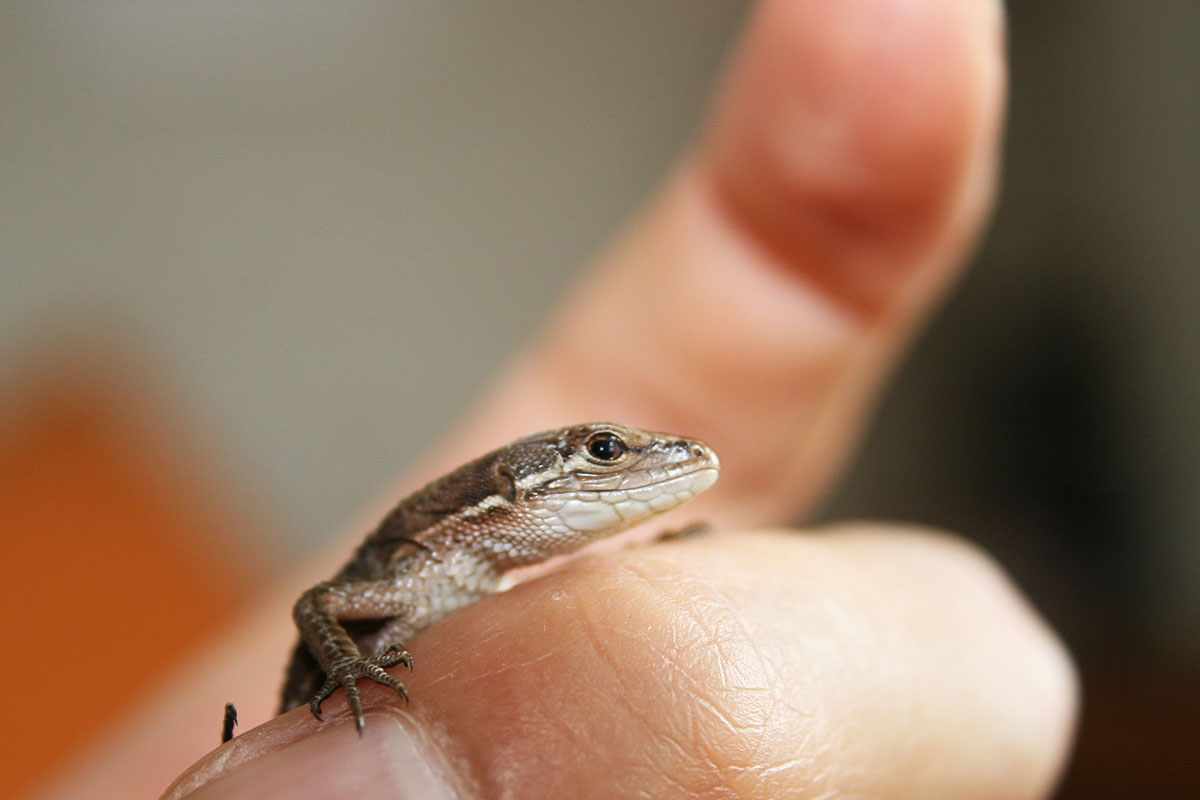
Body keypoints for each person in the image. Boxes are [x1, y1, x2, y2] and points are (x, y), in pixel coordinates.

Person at [57, 1, 1078, 797]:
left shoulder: (499, 568)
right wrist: (342, 682)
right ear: (519, 482)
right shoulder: (420, 566)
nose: (637, 461)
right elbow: (320, 606)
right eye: (601, 452)